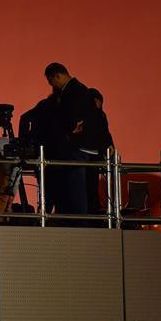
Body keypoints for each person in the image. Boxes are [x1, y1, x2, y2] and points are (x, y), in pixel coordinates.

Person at [44, 62, 99, 219]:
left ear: (57, 76)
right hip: (81, 146)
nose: (51, 86)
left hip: (76, 147)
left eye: (51, 81)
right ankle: (76, 220)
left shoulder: (73, 91)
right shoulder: (81, 89)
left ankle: (77, 222)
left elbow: (70, 119)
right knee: (75, 189)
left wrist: (67, 132)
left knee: (75, 190)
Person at [85, 87, 115, 215]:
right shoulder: (89, 115)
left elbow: (105, 134)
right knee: (88, 186)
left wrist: (110, 146)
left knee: (92, 186)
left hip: (95, 156)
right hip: (87, 155)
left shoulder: (101, 116)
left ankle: (93, 209)